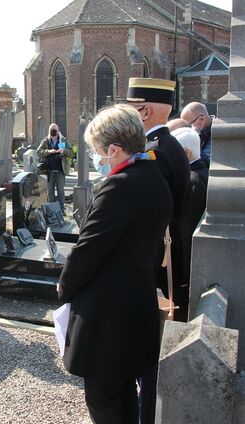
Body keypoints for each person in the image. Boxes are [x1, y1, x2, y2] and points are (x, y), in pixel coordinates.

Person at [58, 104, 172, 424]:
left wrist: (64, 287)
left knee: (104, 400)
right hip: (137, 304)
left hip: (108, 317)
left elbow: (88, 250)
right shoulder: (153, 176)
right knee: (124, 397)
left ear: (113, 149)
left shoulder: (119, 187)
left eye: (97, 151)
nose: (96, 158)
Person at [126, 77, 190, 423]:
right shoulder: (170, 146)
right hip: (165, 258)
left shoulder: (153, 153)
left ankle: (146, 413)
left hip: (153, 264)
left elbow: (143, 218)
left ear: (145, 110)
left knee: (150, 347)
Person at [171, 126, 209, 317]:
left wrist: (184, 272)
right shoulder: (200, 172)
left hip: (184, 265)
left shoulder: (192, 181)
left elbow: (186, 229)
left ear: (186, 152)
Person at [36, 123, 73, 212]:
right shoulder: (46, 141)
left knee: (60, 191)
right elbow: (38, 152)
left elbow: (71, 153)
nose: (53, 131)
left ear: (58, 130)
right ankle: (51, 211)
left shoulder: (63, 140)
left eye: (54, 130)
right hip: (49, 170)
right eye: (51, 130)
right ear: (49, 131)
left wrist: (63, 150)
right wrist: (49, 151)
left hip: (60, 170)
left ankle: (61, 210)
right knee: (50, 192)